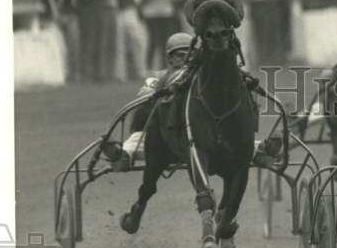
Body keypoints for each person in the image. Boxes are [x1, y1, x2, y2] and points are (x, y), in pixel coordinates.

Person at [103, 32, 279, 171]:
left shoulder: (205, 79)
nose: (187, 60)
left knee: (232, 140)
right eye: (180, 55)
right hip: (163, 139)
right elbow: (142, 110)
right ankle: (121, 155)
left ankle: (261, 150)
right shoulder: (157, 78)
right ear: (170, 59)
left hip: (201, 137)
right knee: (139, 139)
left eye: (191, 54)